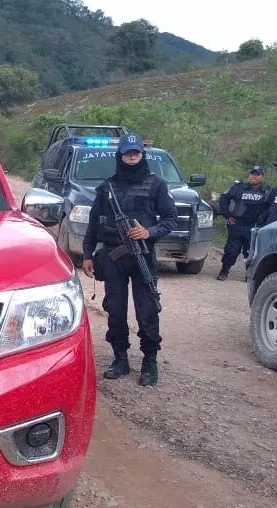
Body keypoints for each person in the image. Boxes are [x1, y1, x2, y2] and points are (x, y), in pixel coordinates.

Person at [81, 133, 178, 387]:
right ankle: (120, 358)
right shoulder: (107, 188)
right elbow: (92, 224)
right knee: (115, 308)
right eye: (128, 152)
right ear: (120, 155)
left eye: (136, 152)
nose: (132, 156)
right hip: (113, 257)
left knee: (147, 309)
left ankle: (149, 360)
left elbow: (170, 219)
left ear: (141, 154)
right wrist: (88, 254)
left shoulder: (156, 184)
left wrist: (149, 232)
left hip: (142, 254)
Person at [216, 165, 271, 281]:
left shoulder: (268, 190)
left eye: (258, 174)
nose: (254, 177)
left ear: (262, 176)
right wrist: (227, 216)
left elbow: (272, 207)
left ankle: (250, 276)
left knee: (252, 252)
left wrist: (265, 222)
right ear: (249, 175)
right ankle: (224, 271)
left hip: (255, 226)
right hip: (237, 224)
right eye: (252, 174)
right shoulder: (238, 187)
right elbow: (223, 199)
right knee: (231, 250)